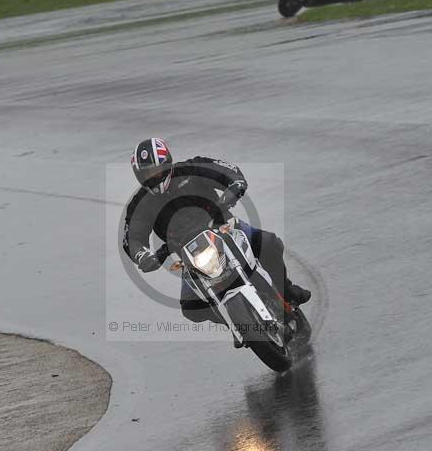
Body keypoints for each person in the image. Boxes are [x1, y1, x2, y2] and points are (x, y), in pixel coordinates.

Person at [122, 138, 311, 324]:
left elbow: (228, 171)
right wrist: (142, 255)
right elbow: (131, 236)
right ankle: (237, 321)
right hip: (189, 255)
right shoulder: (140, 203)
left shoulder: (193, 168)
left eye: (155, 170)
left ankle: (287, 291)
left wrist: (235, 184)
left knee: (270, 244)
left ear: (167, 163)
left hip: (225, 228)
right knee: (190, 309)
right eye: (146, 173)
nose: (152, 176)